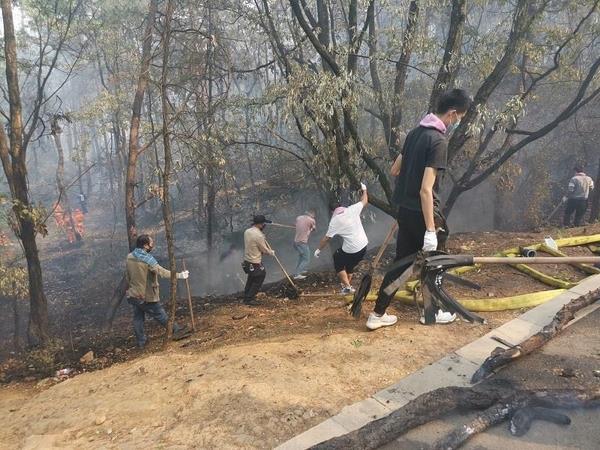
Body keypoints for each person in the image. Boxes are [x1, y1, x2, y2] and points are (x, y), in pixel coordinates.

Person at [366, 89, 472, 331]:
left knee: (401, 263)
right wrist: (431, 230)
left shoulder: (414, 133)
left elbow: (394, 170)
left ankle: (377, 313)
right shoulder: (438, 140)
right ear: (452, 113)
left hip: (405, 211)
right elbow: (426, 190)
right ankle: (431, 313)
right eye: (459, 118)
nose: (458, 122)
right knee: (435, 262)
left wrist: (407, 197)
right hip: (425, 214)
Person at [125, 234, 189, 348]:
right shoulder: (147, 260)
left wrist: (130, 289)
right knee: (160, 314)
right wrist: (180, 275)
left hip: (133, 294)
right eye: (151, 243)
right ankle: (176, 330)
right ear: (145, 245)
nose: (152, 245)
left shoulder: (130, 257)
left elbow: (127, 276)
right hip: (146, 295)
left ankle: (141, 342)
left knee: (138, 317)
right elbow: (162, 272)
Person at [314, 183, 368, 294]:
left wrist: (318, 250)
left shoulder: (335, 221)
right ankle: (347, 287)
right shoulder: (352, 209)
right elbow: (364, 200)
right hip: (364, 246)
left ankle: (348, 288)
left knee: (337, 259)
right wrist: (364, 189)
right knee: (349, 265)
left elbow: (326, 238)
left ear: (332, 211)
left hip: (352, 249)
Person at [242, 215, 275, 306]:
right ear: (260, 224)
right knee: (260, 276)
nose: (264, 225)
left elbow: (255, 243)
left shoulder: (247, 231)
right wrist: (271, 252)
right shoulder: (259, 235)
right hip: (254, 261)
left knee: (252, 278)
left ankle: (246, 295)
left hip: (247, 260)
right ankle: (249, 299)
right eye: (263, 223)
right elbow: (264, 250)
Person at [293, 209, 317, 280]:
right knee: (306, 259)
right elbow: (314, 229)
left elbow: (295, 224)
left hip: (295, 242)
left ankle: (299, 270)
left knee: (301, 257)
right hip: (302, 243)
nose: (314, 216)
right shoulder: (312, 220)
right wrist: (311, 229)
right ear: (311, 214)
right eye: (314, 214)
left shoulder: (299, 217)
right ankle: (297, 275)